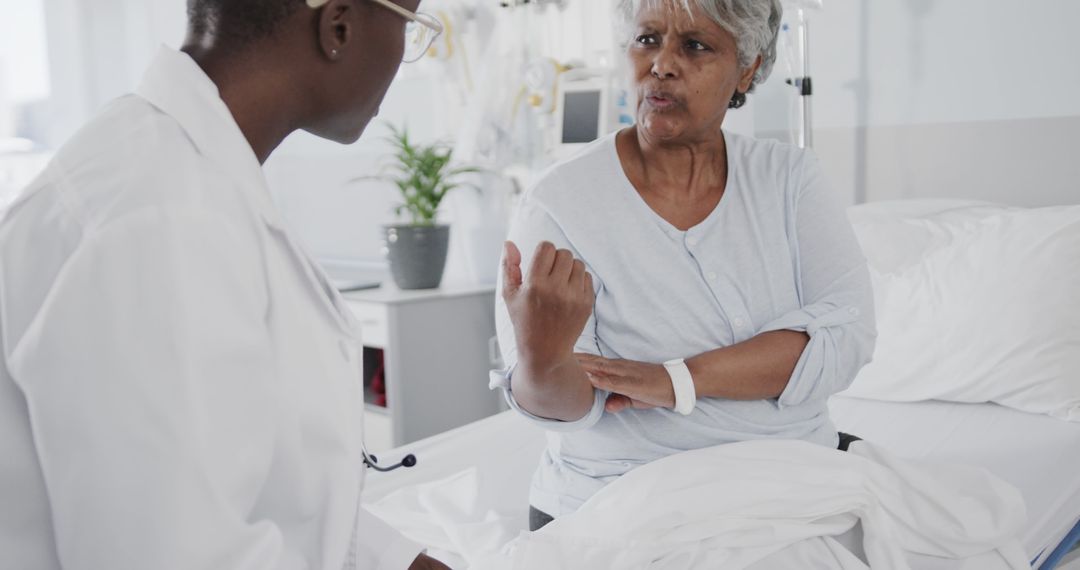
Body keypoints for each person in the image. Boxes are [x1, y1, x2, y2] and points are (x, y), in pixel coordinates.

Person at [0, 0, 449, 568]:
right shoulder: (160, 218)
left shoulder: (183, 171)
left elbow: (256, 482)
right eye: (410, 24)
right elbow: (176, 554)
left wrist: (398, 561)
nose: (404, 50)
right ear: (339, 26)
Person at [492, 0, 877, 531]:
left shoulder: (790, 179)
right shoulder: (558, 201)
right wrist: (542, 356)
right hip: (617, 500)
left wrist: (675, 380)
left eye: (695, 46)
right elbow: (570, 407)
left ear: (749, 67)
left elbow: (845, 340)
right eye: (647, 39)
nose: (662, 64)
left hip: (790, 482)